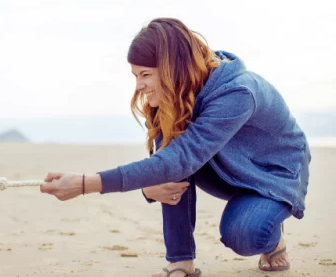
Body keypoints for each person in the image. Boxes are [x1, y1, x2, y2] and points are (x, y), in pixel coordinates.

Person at [39, 17, 311, 277]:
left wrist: (86, 184)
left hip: (275, 173)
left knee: (245, 235)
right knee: (172, 152)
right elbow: (170, 161)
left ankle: (274, 240)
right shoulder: (174, 95)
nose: (139, 86)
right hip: (224, 165)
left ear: (173, 67)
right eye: (135, 75)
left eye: (145, 74)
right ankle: (181, 260)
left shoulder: (238, 92)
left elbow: (179, 160)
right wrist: (149, 185)